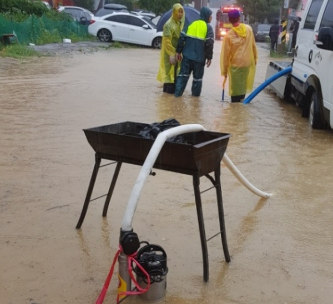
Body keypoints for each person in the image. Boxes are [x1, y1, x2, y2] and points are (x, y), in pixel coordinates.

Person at [174, 6, 214, 97]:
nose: (211, 18)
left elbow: (181, 37)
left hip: (187, 58)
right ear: (206, 16)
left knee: (182, 77)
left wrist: (178, 51)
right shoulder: (208, 28)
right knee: (197, 81)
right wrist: (209, 57)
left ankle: (176, 97)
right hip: (199, 60)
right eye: (210, 16)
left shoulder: (191, 24)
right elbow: (209, 44)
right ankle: (195, 102)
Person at [220, 9, 257, 103]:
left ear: (229, 20)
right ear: (239, 18)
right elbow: (253, 46)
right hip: (247, 64)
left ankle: (235, 111)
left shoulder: (229, 36)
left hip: (236, 66)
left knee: (235, 93)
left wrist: (224, 71)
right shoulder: (248, 29)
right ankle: (241, 109)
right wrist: (255, 59)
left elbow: (225, 55)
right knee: (242, 91)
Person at [157, 3, 185, 94]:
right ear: (174, 12)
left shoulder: (178, 23)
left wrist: (178, 52)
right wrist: (172, 54)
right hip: (170, 54)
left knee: (174, 75)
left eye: (181, 12)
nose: (180, 14)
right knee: (169, 76)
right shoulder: (168, 24)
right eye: (179, 12)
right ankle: (167, 96)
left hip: (176, 53)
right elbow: (167, 41)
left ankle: (169, 99)